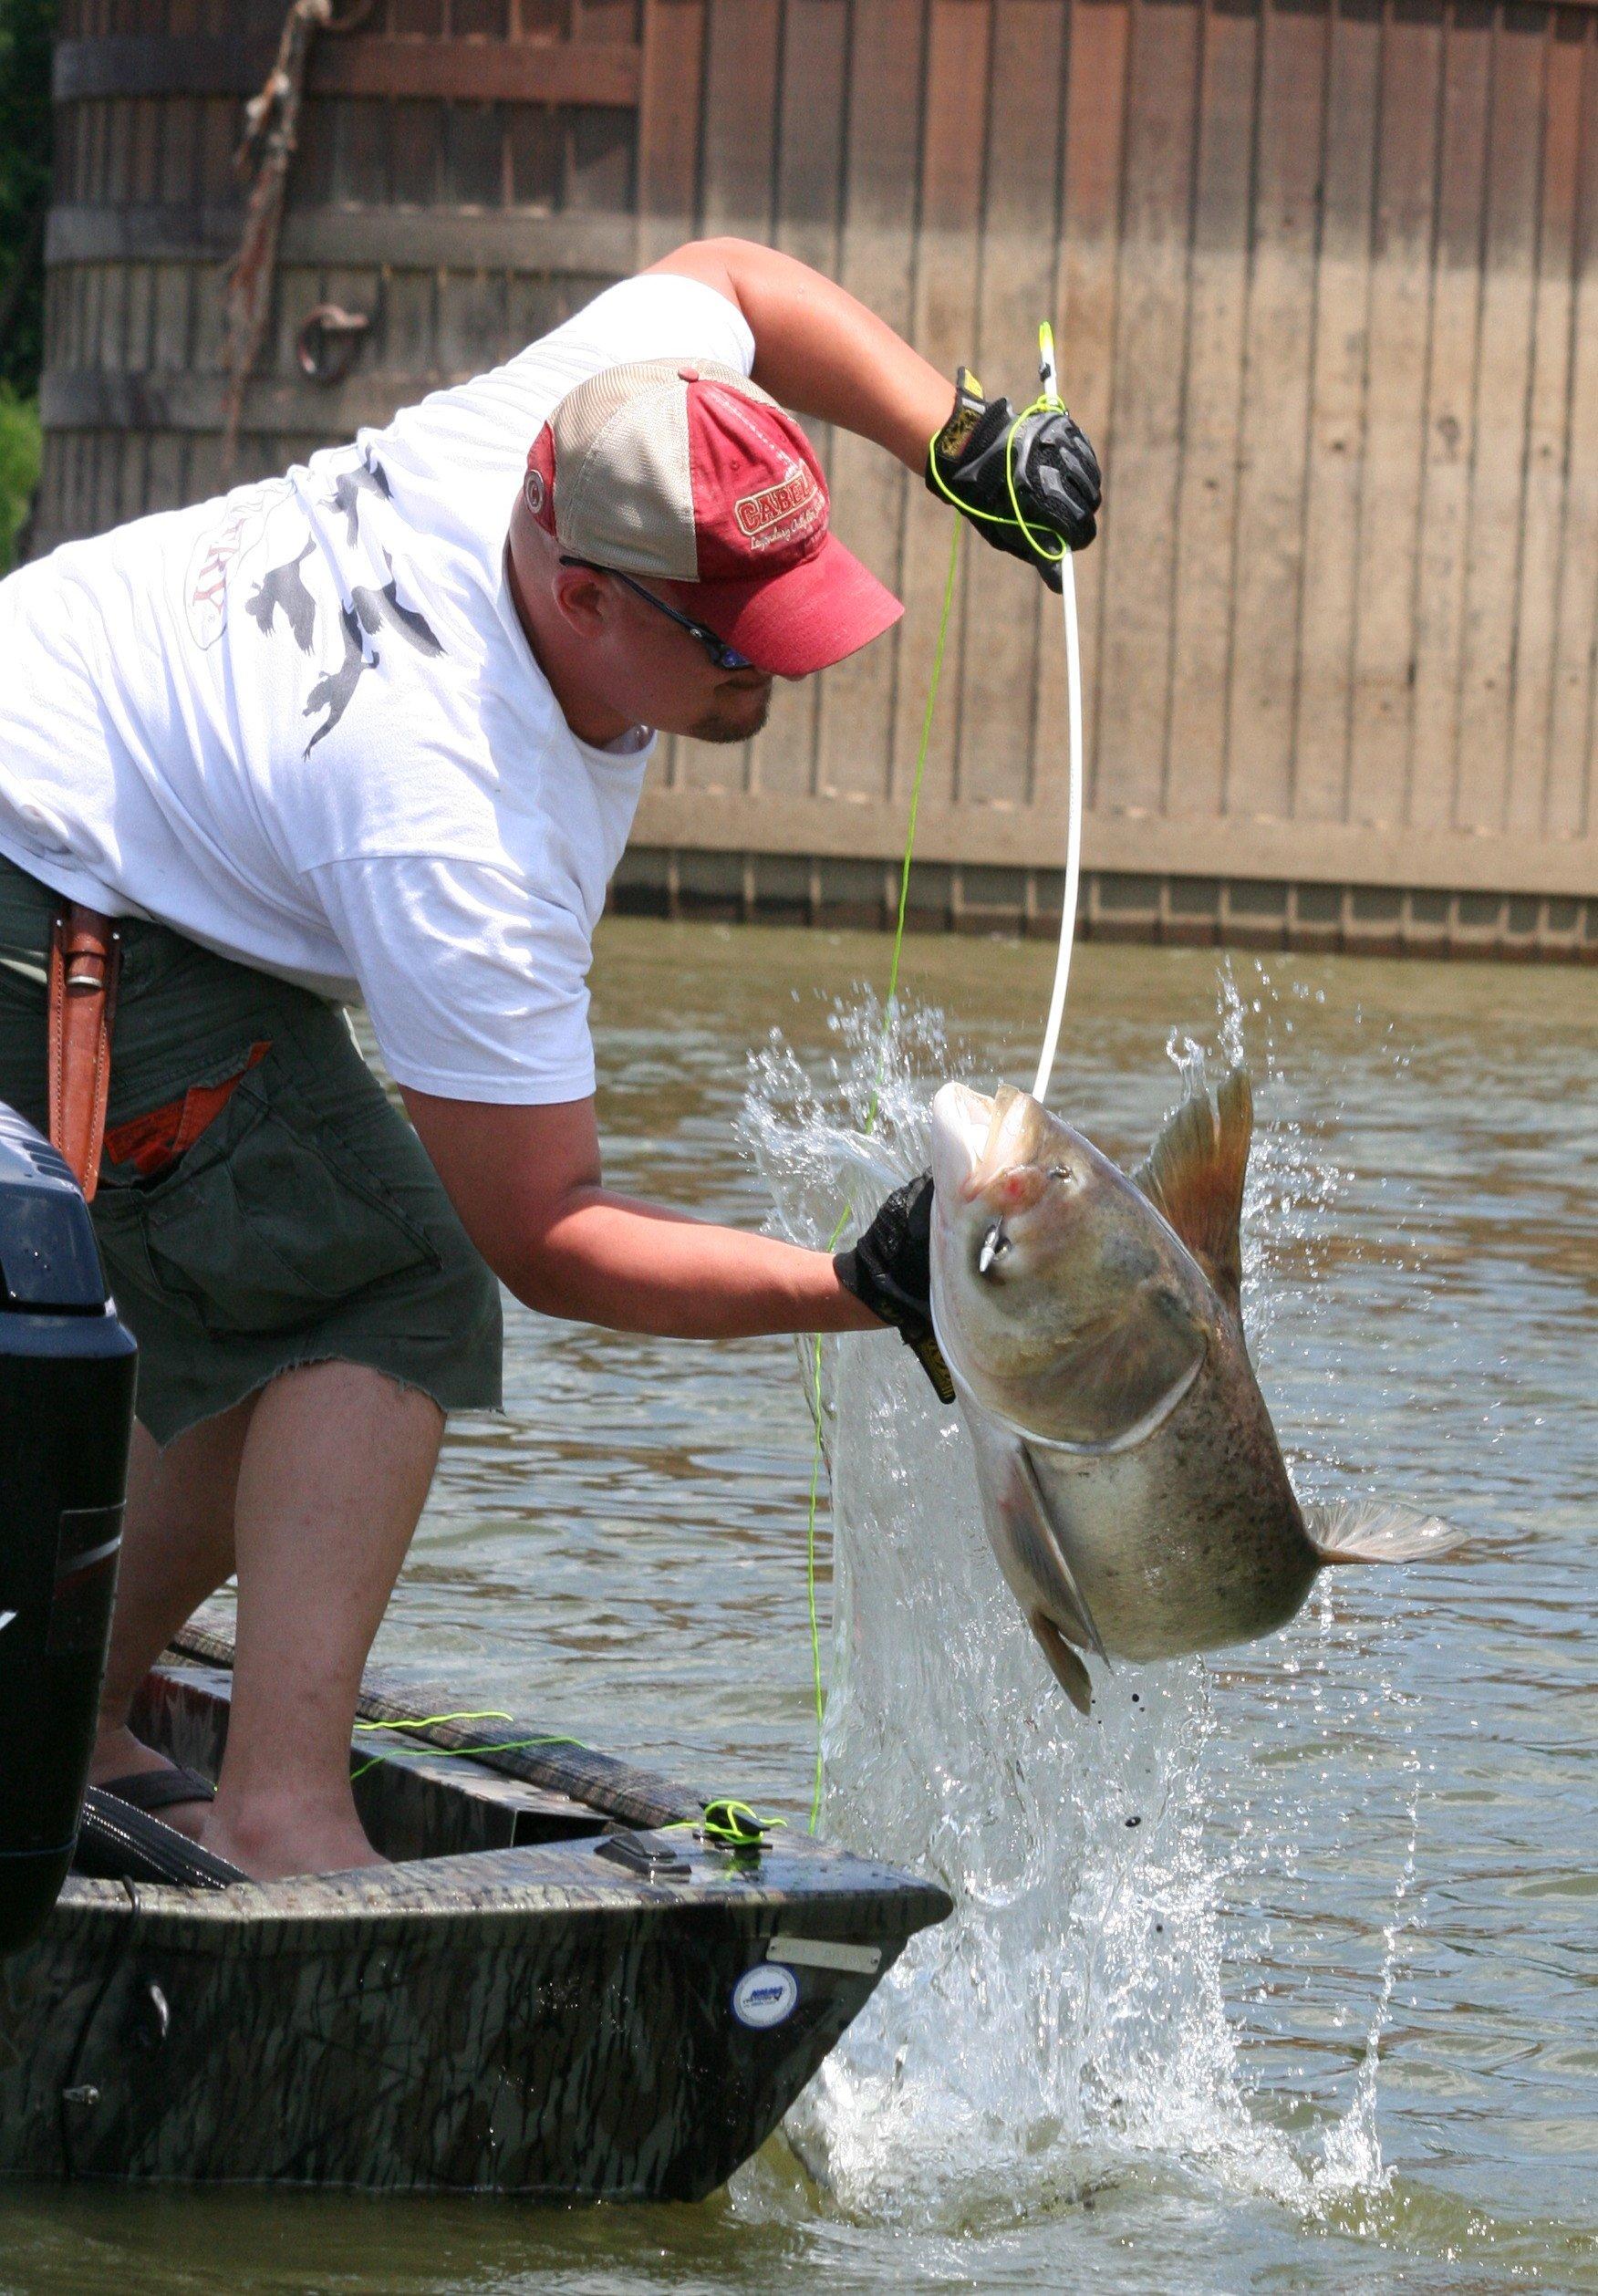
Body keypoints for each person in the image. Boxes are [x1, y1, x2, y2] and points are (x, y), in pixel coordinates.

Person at [0, 237, 1100, 1879]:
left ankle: (64, 1701)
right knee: (395, 1282)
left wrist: (961, 434)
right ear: (580, 591)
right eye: (736, 642)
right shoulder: (461, 822)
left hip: (103, 755)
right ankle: (281, 1804)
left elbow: (735, 277)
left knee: (305, 1271)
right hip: (54, 873)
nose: (780, 668)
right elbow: (547, 1236)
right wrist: (858, 1287)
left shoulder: (609, 423)